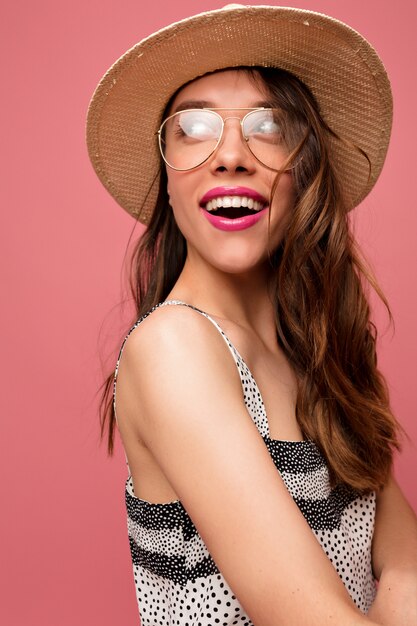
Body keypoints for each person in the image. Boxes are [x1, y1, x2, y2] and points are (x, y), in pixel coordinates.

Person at [86, 5, 417, 625]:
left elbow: (407, 563)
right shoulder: (174, 348)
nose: (231, 155)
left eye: (268, 126)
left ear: (306, 169)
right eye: (194, 127)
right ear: (166, 173)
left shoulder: (317, 351)